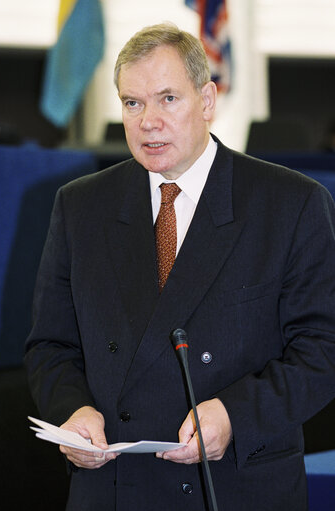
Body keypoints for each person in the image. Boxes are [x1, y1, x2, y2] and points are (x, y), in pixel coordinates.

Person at [25, 23, 335, 511]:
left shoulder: (292, 204)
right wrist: (73, 410)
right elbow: (50, 344)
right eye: (132, 103)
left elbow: (324, 349)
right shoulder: (80, 206)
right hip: (112, 486)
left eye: (168, 98)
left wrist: (235, 415)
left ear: (207, 100)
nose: (148, 120)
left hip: (236, 485)